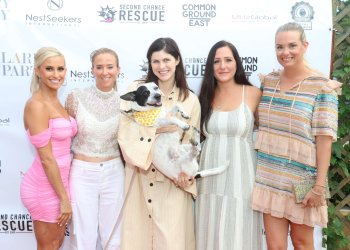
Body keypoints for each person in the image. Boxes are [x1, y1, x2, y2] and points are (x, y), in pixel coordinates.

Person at [251, 22, 342, 249]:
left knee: (302, 243)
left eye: (292, 45)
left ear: (305, 45)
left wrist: (319, 186)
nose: (285, 52)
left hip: (304, 180)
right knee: (275, 246)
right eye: (279, 47)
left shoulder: (322, 87)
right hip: (270, 176)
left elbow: (324, 141)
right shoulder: (268, 82)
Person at [118, 37, 200, 250]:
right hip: (139, 180)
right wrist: (159, 129)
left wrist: (184, 173)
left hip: (173, 182)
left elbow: (191, 140)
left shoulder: (189, 99)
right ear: (150, 64)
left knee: (172, 242)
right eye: (156, 61)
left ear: (177, 60)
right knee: (138, 240)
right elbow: (125, 133)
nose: (162, 66)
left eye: (167, 60)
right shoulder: (137, 91)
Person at [196, 40, 263, 250]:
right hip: (208, 176)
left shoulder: (253, 94)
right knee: (209, 228)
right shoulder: (203, 97)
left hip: (241, 176)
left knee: (239, 230)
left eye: (228, 60)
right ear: (210, 66)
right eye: (216, 61)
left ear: (237, 63)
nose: (222, 66)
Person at [65, 48, 124, 250]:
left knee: (114, 236)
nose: (104, 72)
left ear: (118, 69)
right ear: (92, 70)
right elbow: (65, 137)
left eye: (110, 66)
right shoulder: (75, 97)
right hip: (82, 172)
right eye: (99, 67)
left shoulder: (126, 101)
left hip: (114, 171)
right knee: (82, 236)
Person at [20, 47, 77, 250]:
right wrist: (64, 199)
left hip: (59, 185)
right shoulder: (37, 105)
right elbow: (47, 158)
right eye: (49, 69)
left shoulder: (55, 100)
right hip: (44, 187)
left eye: (60, 69)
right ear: (38, 71)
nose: (56, 74)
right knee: (49, 246)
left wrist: (64, 194)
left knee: (56, 243)